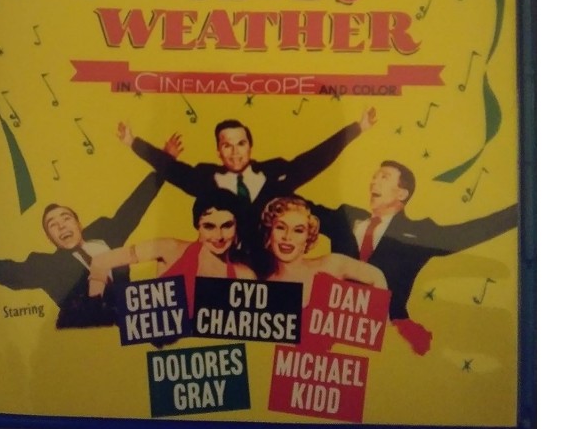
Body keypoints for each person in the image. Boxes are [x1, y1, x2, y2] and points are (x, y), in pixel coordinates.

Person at [118, 108, 378, 273]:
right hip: (231, 270)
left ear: (250, 147)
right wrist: (132, 142)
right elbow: (172, 169)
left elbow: (314, 160)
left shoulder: (274, 173)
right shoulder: (206, 179)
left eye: (240, 144)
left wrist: (358, 127)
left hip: (275, 267)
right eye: (227, 146)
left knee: (336, 222)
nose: (235, 152)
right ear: (218, 151)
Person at [0, 134, 181, 329]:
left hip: (134, 323)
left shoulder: (106, 233)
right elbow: (3, 270)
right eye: (52, 225)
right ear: (50, 238)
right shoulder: (46, 267)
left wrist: (164, 163)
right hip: (93, 337)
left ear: (79, 225)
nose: (61, 226)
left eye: (66, 218)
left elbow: (134, 206)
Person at [310, 160, 518, 355]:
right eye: (374, 176)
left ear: (401, 193)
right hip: (330, 330)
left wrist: (522, 209)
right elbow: (299, 207)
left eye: (384, 177)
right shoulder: (346, 217)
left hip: (387, 340)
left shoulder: (418, 234)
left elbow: (467, 233)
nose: (374, 181)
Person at [87, 188, 255, 316]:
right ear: (197, 226)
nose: (218, 236)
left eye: (227, 226)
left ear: (236, 227)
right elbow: (100, 262)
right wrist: (95, 308)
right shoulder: (169, 249)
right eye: (209, 226)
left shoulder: (245, 276)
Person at [260, 196, 386, 305]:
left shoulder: (331, 264)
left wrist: (381, 319)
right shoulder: (266, 287)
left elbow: (377, 276)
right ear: (270, 233)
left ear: (308, 237)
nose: (288, 237)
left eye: (298, 230)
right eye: (280, 227)